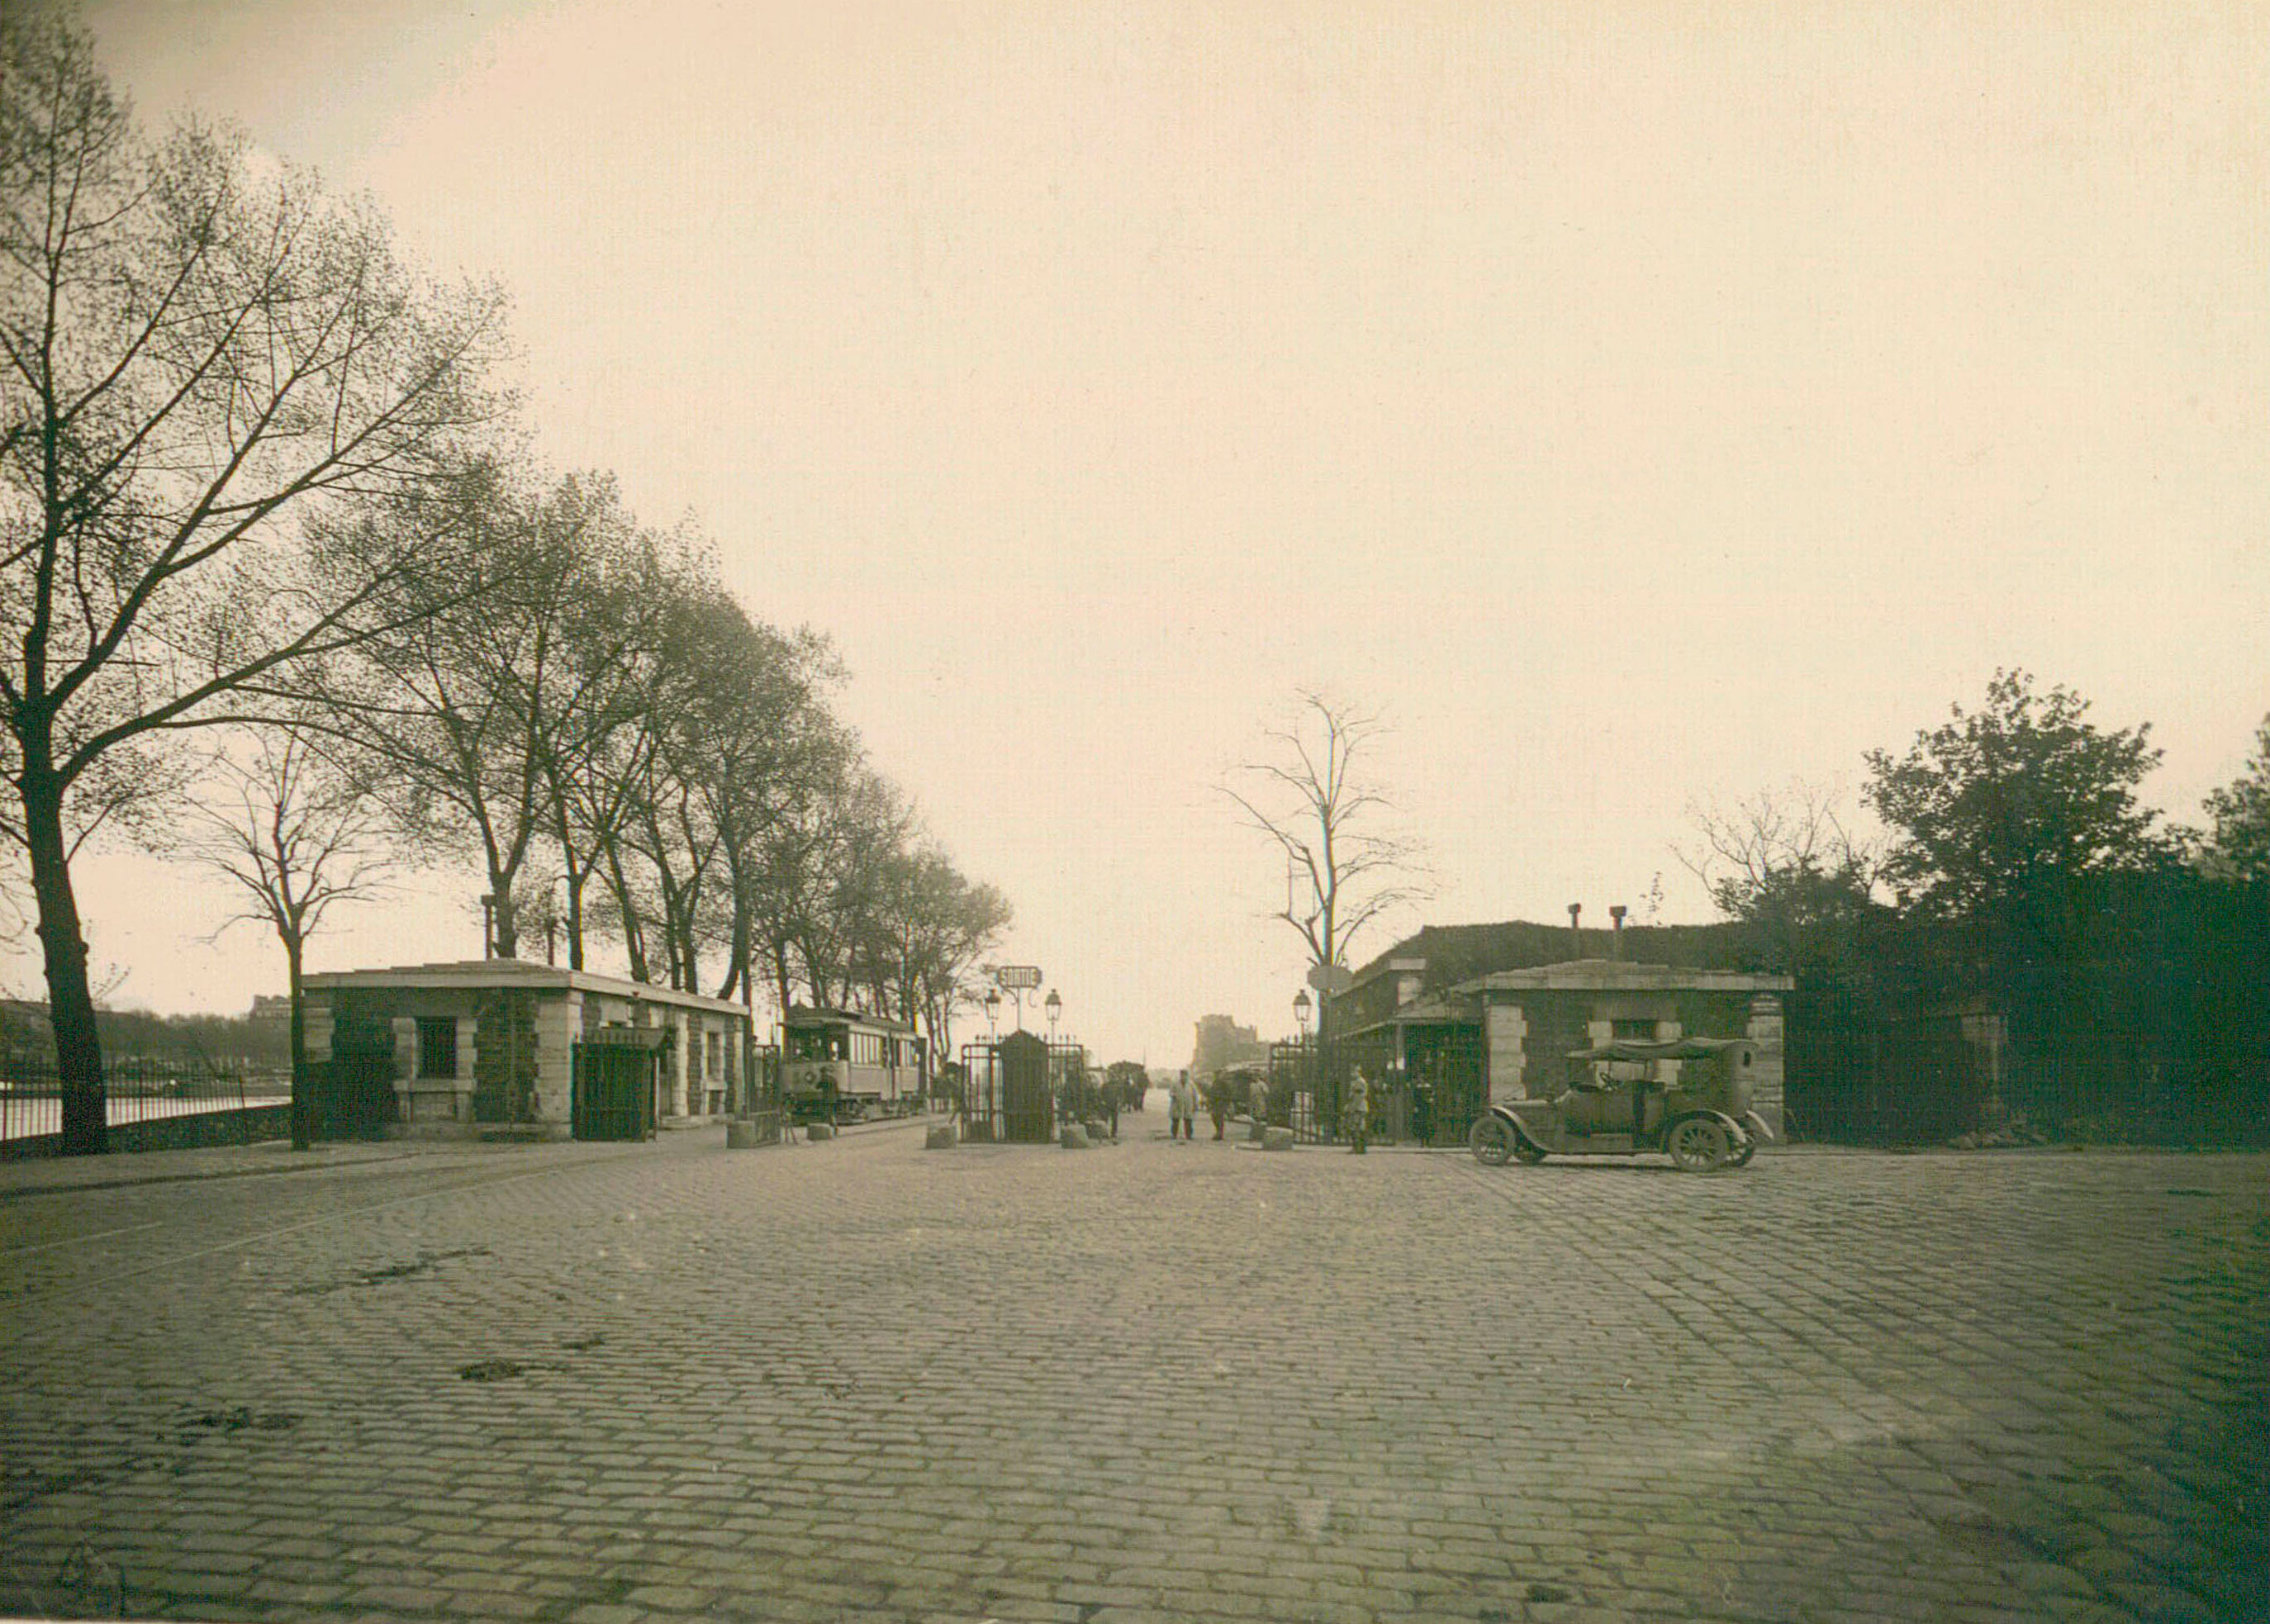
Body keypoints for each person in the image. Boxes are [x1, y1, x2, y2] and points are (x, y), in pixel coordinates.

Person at [1344, 1067, 1370, 1154]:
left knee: (1356, 1127)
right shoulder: (1357, 1081)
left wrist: (1352, 1107)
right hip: (1359, 1107)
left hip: (1359, 1107)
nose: (1352, 1074)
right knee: (1359, 1127)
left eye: (1354, 1072)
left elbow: (1358, 1096)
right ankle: (1360, 1148)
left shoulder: (1359, 1082)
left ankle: (1358, 1147)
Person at [1170, 1071, 1195, 1141]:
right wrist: (1174, 1096)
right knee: (1175, 1120)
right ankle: (1174, 1135)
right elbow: (1171, 1092)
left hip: (1188, 1104)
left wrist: (1195, 1104)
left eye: (1185, 1075)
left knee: (1188, 1120)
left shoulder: (1191, 1084)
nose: (1183, 1077)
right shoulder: (1175, 1083)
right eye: (1182, 1075)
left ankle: (1189, 1135)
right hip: (1177, 1104)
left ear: (1187, 1076)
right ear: (1180, 1075)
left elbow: (1194, 1095)